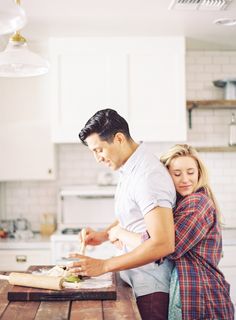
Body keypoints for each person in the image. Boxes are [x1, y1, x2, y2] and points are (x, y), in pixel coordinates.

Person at [67, 108, 176, 320]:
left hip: (150, 287)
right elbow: (133, 215)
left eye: (99, 150)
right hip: (134, 280)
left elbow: (163, 243)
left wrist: (104, 265)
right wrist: (103, 235)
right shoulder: (130, 168)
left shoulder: (148, 175)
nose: (97, 159)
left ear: (118, 138)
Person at [107, 144, 235, 320]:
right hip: (195, 293)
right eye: (177, 174)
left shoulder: (197, 203)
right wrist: (109, 232)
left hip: (204, 296)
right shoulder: (178, 202)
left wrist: (121, 233)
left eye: (190, 172)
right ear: (166, 176)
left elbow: (164, 246)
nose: (185, 179)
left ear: (199, 173)